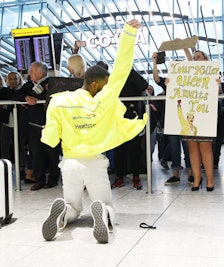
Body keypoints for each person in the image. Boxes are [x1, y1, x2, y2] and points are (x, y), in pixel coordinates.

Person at [40, 19, 147, 243]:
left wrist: (48, 134)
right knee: (106, 203)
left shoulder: (59, 100)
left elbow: (49, 138)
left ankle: (62, 214)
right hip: (94, 163)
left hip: (69, 163)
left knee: (72, 205)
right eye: (106, 84)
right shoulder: (104, 100)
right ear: (97, 85)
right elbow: (122, 68)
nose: (109, 86)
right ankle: (102, 211)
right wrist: (128, 34)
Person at [13, 62, 61, 191]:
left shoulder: (52, 82)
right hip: (34, 125)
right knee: (36, 153)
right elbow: (16, 95)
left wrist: (37, 97)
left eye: (32, 71)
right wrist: (26, 97)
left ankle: (53, 178)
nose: (29, 74)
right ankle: (39, 179)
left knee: (52, 153)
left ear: (41, 73)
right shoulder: (28, 85)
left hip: (51, 125)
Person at [151, 51, 194, 185]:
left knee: (187, 148)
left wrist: (185, 49)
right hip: (172, 119)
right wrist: (154, 62)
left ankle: (190, 174)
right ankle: (177, 174)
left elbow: (192, 65)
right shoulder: (169, 82)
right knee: (176, 148)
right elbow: (156, 78)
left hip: (185, 118)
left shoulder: (188, 81)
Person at [181, 50, 216, 191]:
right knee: (192, 148)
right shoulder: (186, 74)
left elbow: (217, 93)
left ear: (205, 59)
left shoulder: (211, 73)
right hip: (190, 113)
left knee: (205, 147)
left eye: (198, 57)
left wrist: (217, 84)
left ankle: (210, 180)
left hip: (205, 114)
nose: (195, 59)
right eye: (194, 57)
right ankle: (196, 179)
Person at [111, 68, 148, 189]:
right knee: (119, 149)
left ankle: (135, 176)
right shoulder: (116, 74)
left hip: (132, 115)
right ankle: (119, 176)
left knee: (134, 149)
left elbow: (144, 85)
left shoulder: (131, 73)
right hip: (119, 116)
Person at [0, 72, 28, 180]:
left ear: (19, 80)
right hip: (7, 121)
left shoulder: (22, 91)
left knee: (20, 145)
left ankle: (21, 168)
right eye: (10, 79)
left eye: (14, 79)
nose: (12, 81)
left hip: (19, 121)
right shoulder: (4, 91)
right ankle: (6, 167)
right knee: (5, 145)